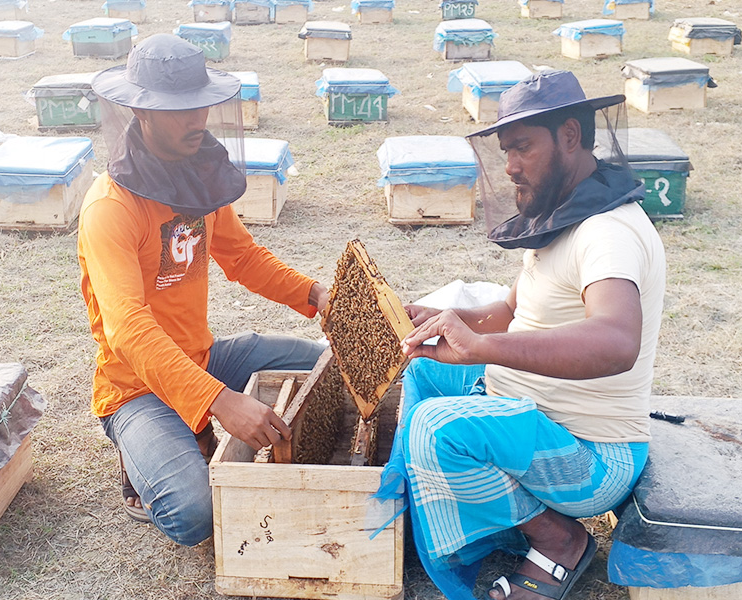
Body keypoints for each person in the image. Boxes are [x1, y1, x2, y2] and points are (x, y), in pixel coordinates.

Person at [381, 70, 666, 600]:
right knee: (423, 370)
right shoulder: (566, 213)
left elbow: (616, 341)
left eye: (523, 147)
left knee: (435, 427)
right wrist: (440, 317)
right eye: (506, 150)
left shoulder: (608, 232)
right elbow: (510, 311)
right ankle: (461, 497)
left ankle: (557, 539)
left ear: (570, 136)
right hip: (535, 417)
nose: (510, 165)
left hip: (591, 456)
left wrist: (483, 347)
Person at [77, 34, 327, 545]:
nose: (197, 120)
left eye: (201, 105)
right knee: (196, 514)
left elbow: (243, 257)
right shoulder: (110, 208)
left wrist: (316, 295)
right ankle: (139, 457)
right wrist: (220, 401)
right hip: (136, 388)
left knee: (325, 361)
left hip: (203, 357)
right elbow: (128, 330)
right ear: (141, 113)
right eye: (179, 110)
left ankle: (191, 423)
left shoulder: (198, 179)